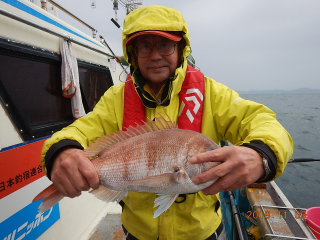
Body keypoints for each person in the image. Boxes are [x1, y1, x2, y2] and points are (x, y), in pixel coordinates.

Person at [41, 5, 293, 240]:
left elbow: (262, 121)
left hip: (200, 232)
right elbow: (79, 130)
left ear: (181, 50)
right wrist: (63, 152)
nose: (155, 56)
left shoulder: (212, 94)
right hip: (138, 232)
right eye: (144, 47)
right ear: (133, 55)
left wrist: (260, 155)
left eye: (165, 46)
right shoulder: (115, 99)